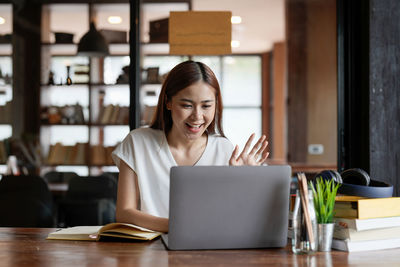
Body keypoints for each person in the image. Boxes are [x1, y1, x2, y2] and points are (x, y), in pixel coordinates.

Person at [112, 60, 269, 232]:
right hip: (150, 252)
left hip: (207, 251)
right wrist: (178, 227)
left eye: (206, 106)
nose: (197, 116)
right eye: (187, 105)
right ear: (168, 102)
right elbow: (125, 212)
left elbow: (232, 218)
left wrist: (245, 183)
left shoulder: (224, 149)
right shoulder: (138, 142)